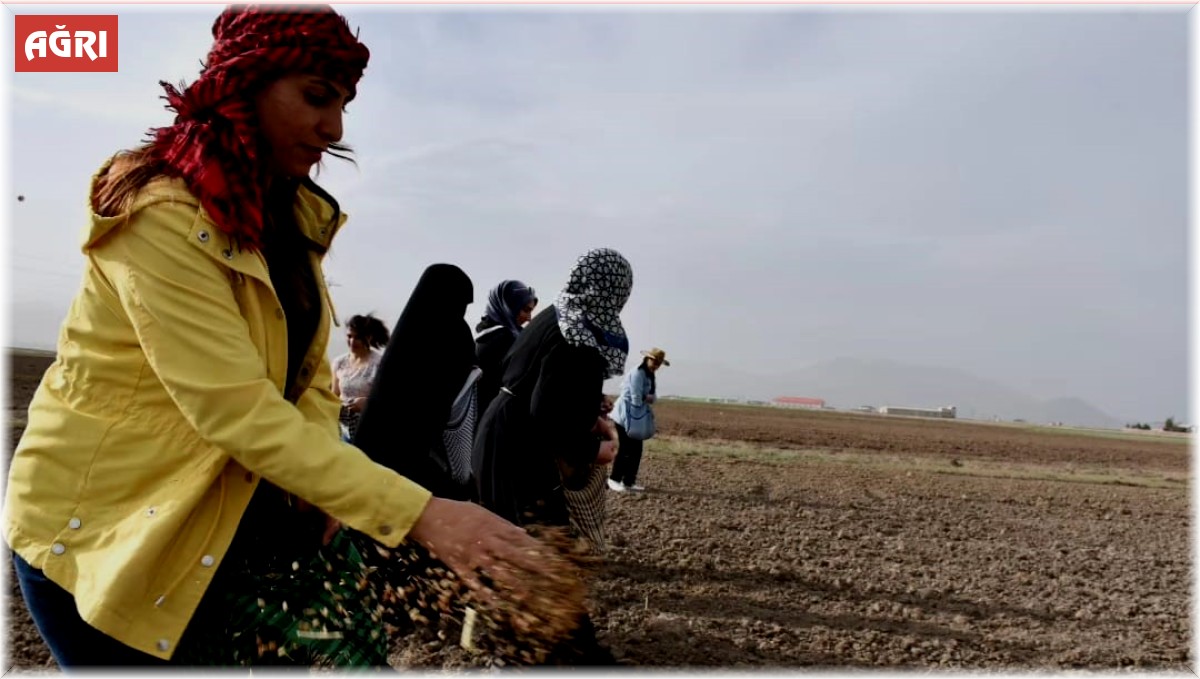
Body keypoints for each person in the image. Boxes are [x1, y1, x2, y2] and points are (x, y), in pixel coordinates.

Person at [2, 5, 568, 668]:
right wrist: (425, 515)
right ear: (245, 81)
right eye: (317, 96)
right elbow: (236, 409)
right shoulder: (161, 216)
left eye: (344, 103)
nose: (335, 128)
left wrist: (325, 481)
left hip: (204, 521)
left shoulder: (285, 218)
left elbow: (300, 381)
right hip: (102, 536)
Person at [470, 248, 631, 664]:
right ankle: (545, 654)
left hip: (499, 435)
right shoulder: (581, 336)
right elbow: (548, 416)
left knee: (519, 543)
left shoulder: (556, 317)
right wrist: (598, 450)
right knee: (537, 544)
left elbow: (537, 384)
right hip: (521, 448)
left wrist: (586, 412)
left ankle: (550, 648)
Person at [608, 347, 669, 493]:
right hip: (625, 416)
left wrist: (647, 398)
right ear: (647, 359)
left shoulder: (650, 375)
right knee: (626, 448)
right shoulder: (638, 373)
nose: (656, 365)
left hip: (636, 416)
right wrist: (646, 398)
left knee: (636, 450)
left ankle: (629, 481)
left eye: (658, 363)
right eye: (654, 361)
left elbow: (653, 398)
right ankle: (614, 479)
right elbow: (636, 398)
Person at [474, 279, 537, 414]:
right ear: (509, 306)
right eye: (526, 310)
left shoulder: (483, 337)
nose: (529, 318)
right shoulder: (504, 339)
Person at [332, 313, 389, 441]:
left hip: (369, 429)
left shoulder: (380, 364)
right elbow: (333, 395)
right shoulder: (339, 363)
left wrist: (368, 404)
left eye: (357, 337)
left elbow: (388, 400)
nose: (352, 341)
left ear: (368, 337)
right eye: (349, 336)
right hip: (342, 428)